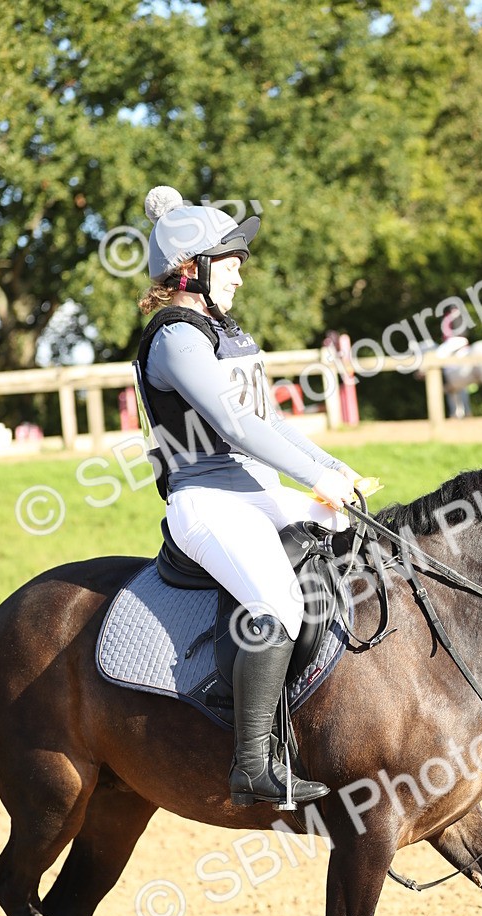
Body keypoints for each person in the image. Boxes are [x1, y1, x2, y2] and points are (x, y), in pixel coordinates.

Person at [136, 185, 360, 809]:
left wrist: (330, 467)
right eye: (229, 260)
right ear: (192, 267)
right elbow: (235, 428)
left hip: (255, 492)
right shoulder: (176, 336)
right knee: (280, 603)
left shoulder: (225, 332)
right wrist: (315, 481)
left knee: (353, 537)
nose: (239, 272)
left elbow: (270, 422)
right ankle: (254, 763)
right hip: (205, 500)